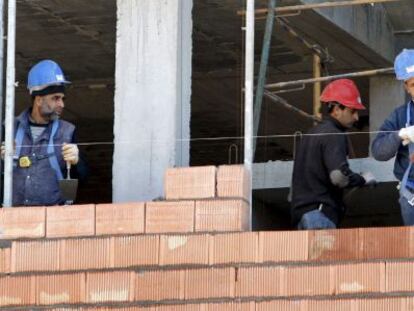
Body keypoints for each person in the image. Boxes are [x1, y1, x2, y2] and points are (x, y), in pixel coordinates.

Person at [291, 79, 376, 230]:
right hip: (319, 215)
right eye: (353, 111)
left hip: (301, 216)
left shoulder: (310, 134)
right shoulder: (334, 134)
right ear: (337, 109)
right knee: (325, 254)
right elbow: (338, 177)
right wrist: (362, 179)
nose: (356, 117)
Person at [1, 59, 83, 206]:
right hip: (12, 219)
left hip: (52, 222)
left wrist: (77, 162)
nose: (62, 104)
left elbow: (84, 179)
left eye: (62, 99)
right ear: (38, 100)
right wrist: (2, 160)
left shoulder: (67, 131)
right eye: (55, 98)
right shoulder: (9, 129)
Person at [372, 49, 414, 226]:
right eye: (413, 84)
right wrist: (400, 135)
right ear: (406, 87)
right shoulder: (400, 116)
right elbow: (378, 151)